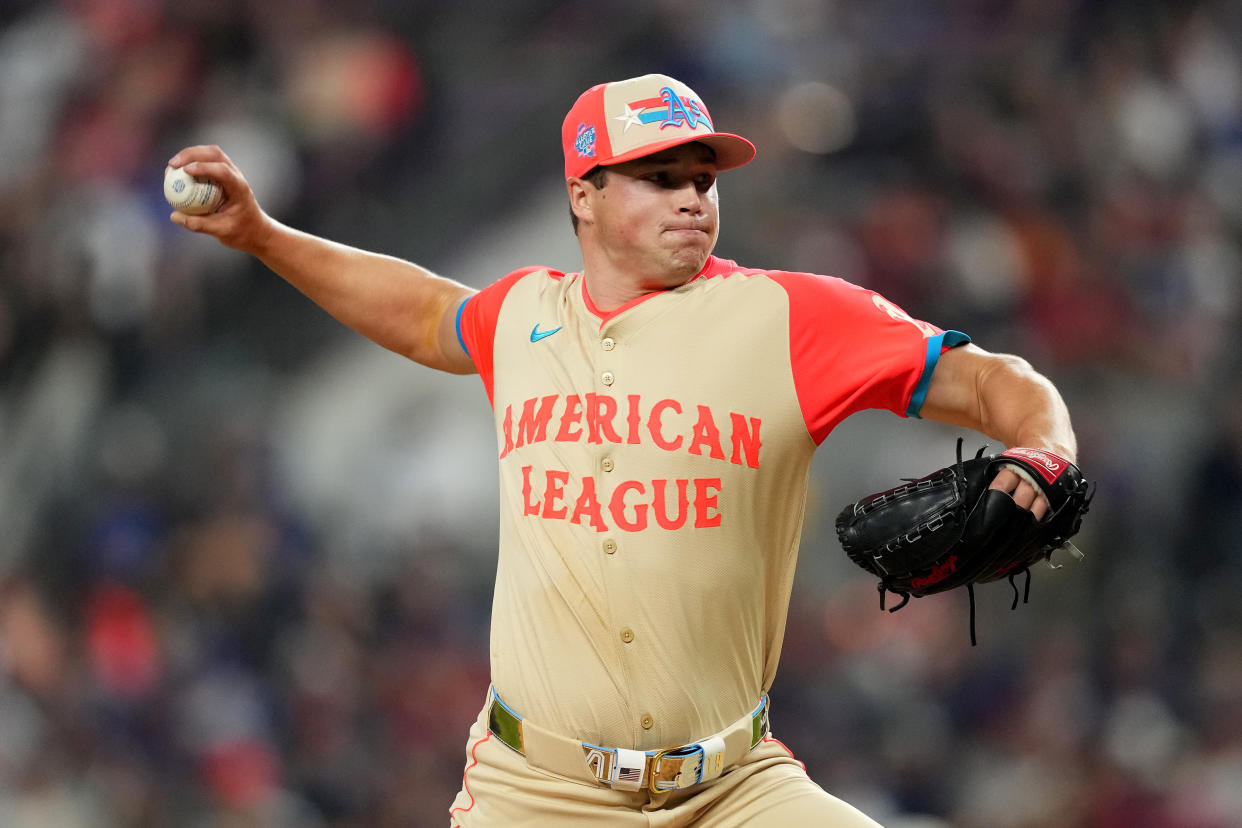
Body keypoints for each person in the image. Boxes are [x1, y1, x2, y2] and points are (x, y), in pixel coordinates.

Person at [168, 73, 1076, 827]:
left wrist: (1046, 451)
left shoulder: (792, 318)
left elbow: (993, 380)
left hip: (732, 789)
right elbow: (418, 314)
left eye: (702, 177)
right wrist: (261, 235)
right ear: (583, 195)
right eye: (656, 174)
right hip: (536, 792)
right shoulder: (523, 315)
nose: (690, 195)